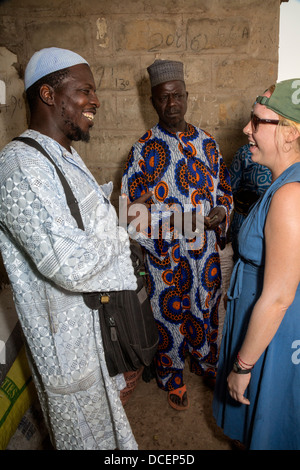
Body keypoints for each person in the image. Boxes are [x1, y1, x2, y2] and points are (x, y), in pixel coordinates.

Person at [0, 47, 151, 450]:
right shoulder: (20, 166)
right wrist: (124, 228)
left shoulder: (64, 154)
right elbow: (69, 263)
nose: (96, 101)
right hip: (69, 359)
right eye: (85, 90)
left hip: (97, 341)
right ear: (49, 95)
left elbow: (86, 221)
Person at [121, 59, 233, 410]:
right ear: (152, 102)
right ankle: (171, 376)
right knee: (168, 316)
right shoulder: (142, 151)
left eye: (177, 96)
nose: (171, 104)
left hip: (206, 252)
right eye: (163, 98)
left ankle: (205, 362)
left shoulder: (208, 144)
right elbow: (129, 214)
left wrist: (222, 211)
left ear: (187, 96)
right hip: (165, 258)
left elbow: (225, 190)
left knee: (205, 308)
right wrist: (177, 226)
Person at [213, 79, 300, 450]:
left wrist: (242, 367)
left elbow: (278, 296)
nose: (247, 129)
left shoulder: (289, 196)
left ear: (289, 133)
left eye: (257, 120)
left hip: (271, 335)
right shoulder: (284, 187)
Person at [229, 145, 272, 260]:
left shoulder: (288, 152)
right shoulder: (244, 153)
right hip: (247, 216)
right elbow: (230, 188)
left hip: (276, 216)